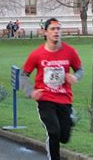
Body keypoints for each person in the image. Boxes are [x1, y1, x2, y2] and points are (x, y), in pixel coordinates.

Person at [20, 18, 83, 160]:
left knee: (64, 137)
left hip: (65, 99)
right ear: (45, 32)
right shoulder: (37, 54)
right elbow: (23, 75)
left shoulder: (69, 52)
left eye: (58, 29)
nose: (56, 32)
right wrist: (30, 92)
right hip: (45, 99)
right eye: (52, 29)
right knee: (54, 132)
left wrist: (76, 77)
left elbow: (79, 69)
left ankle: (70, 119)